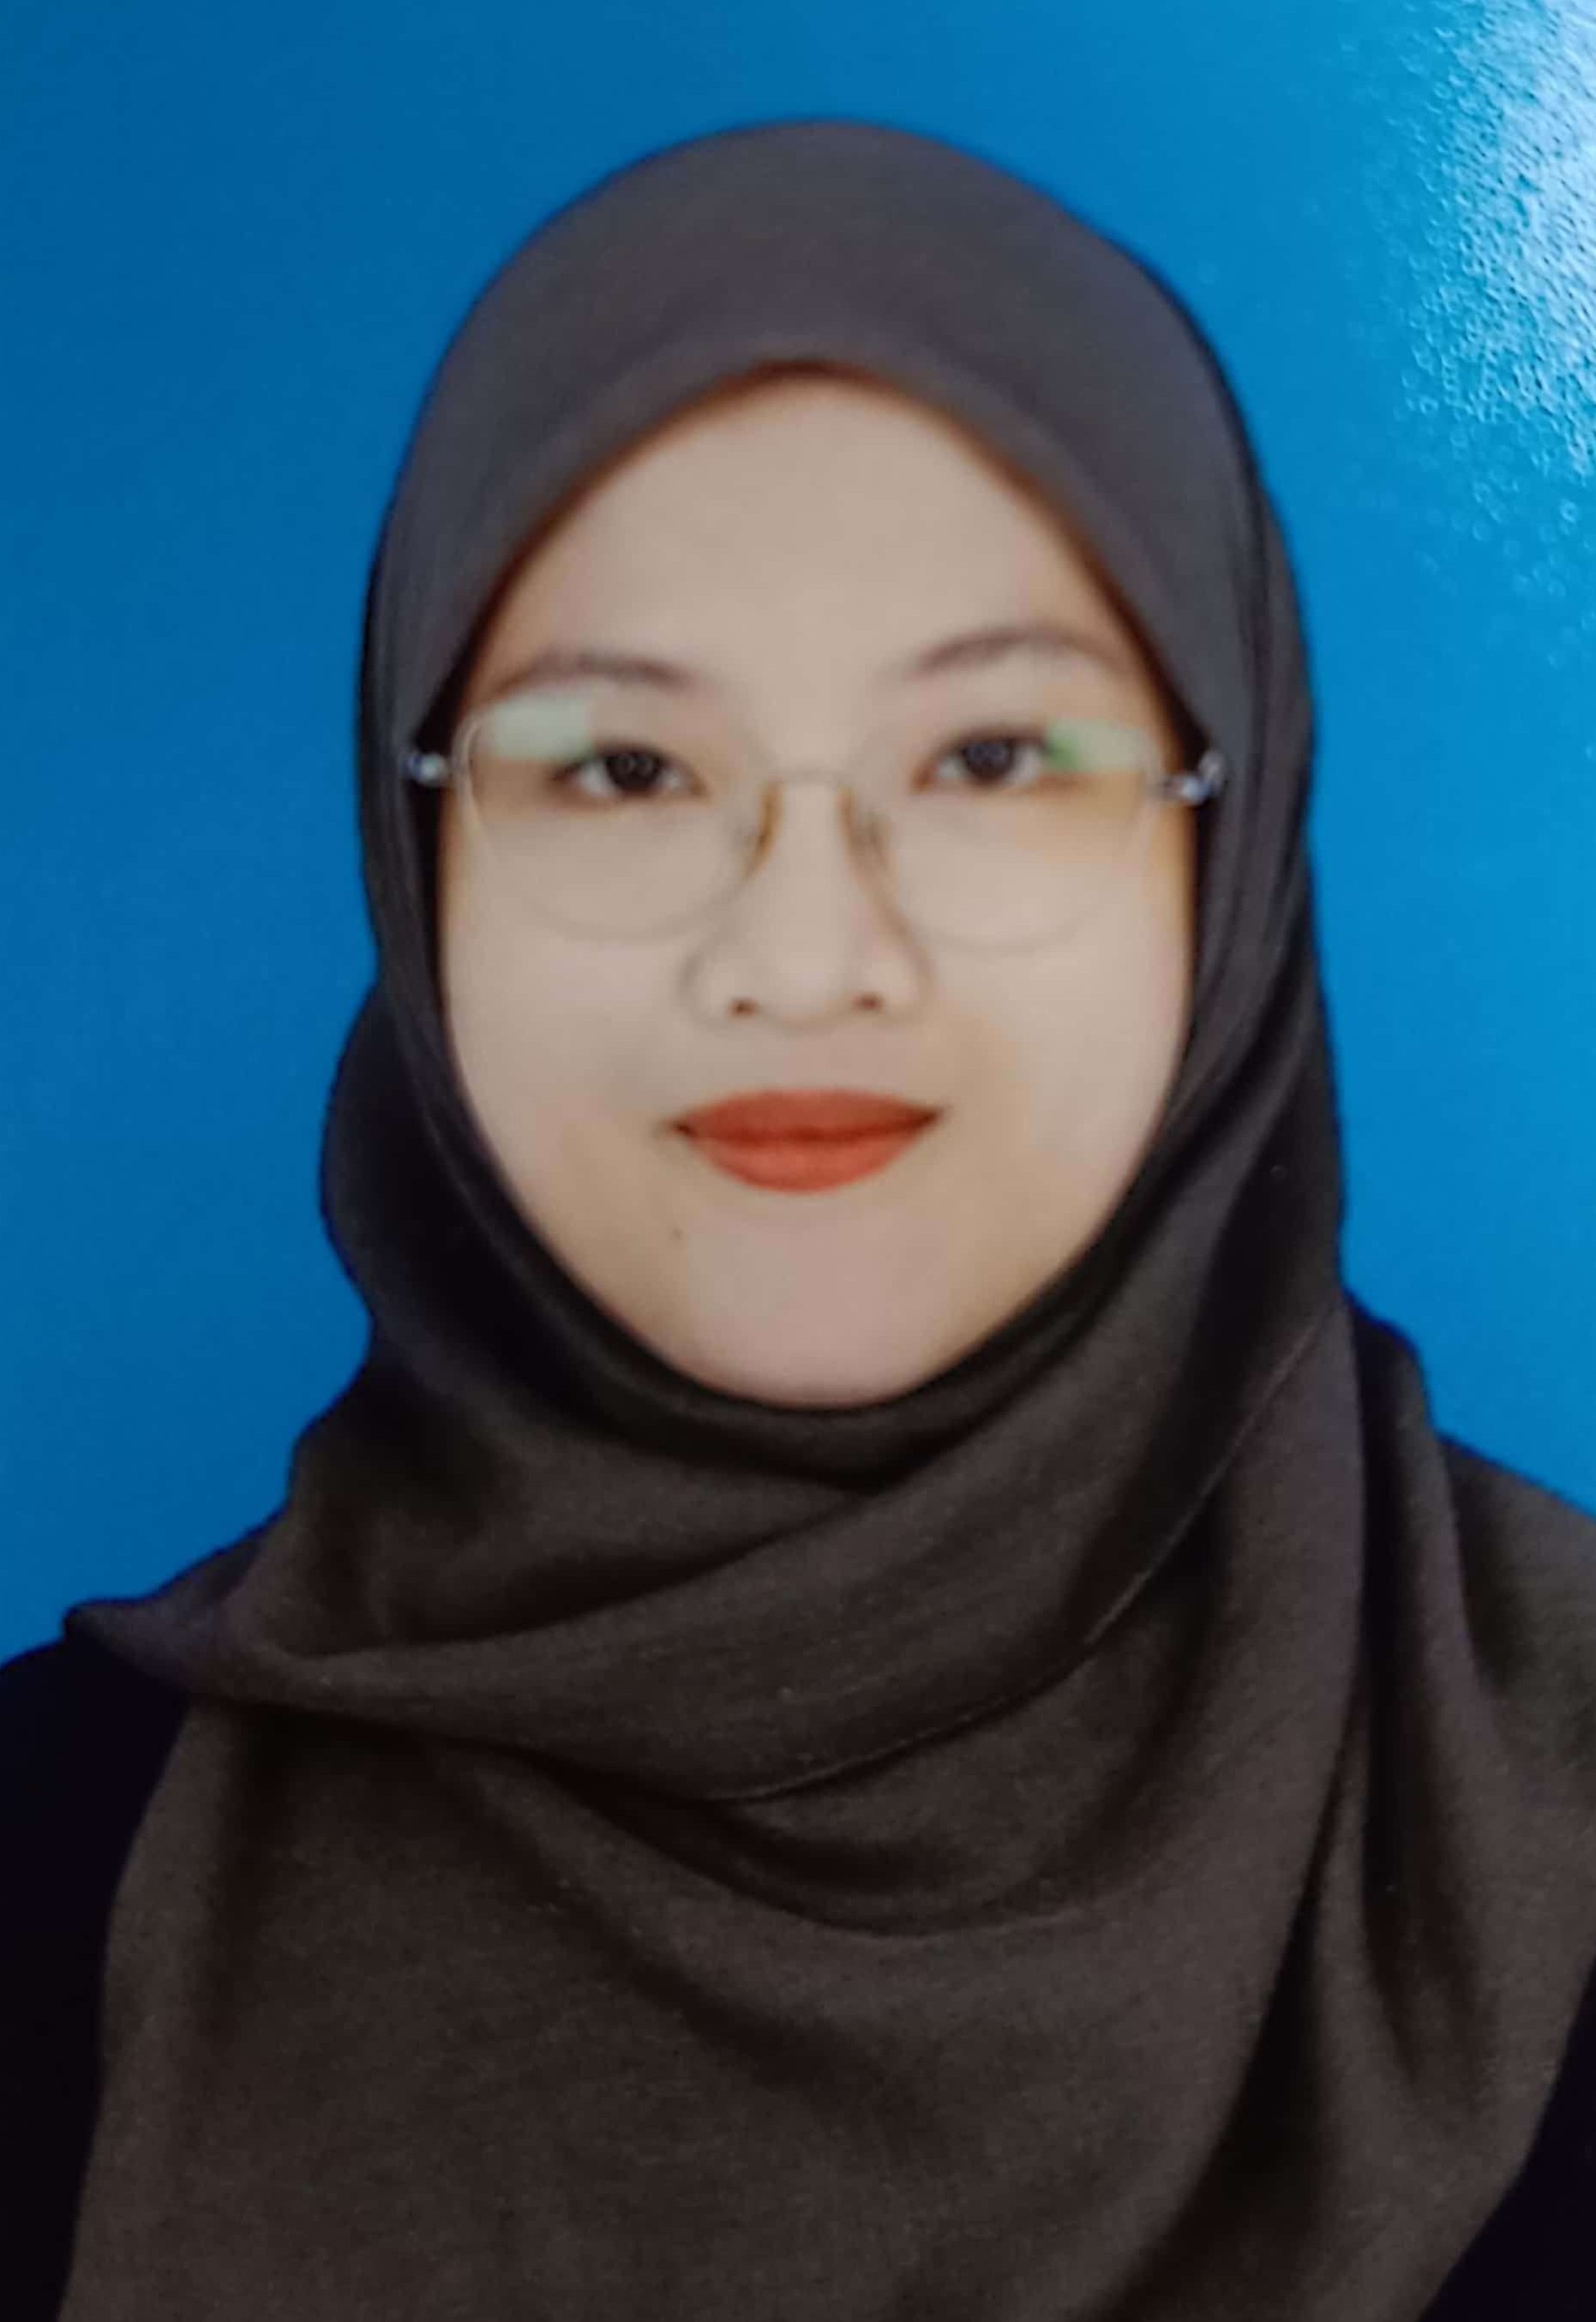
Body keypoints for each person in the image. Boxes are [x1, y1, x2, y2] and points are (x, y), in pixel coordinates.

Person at [4, 116, 1594, 2322]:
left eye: (995, 758)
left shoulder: (1546, 1795)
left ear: (1224, 854)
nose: (803, 954)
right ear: (416, 856)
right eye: (623, 768)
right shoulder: (47, 1858)